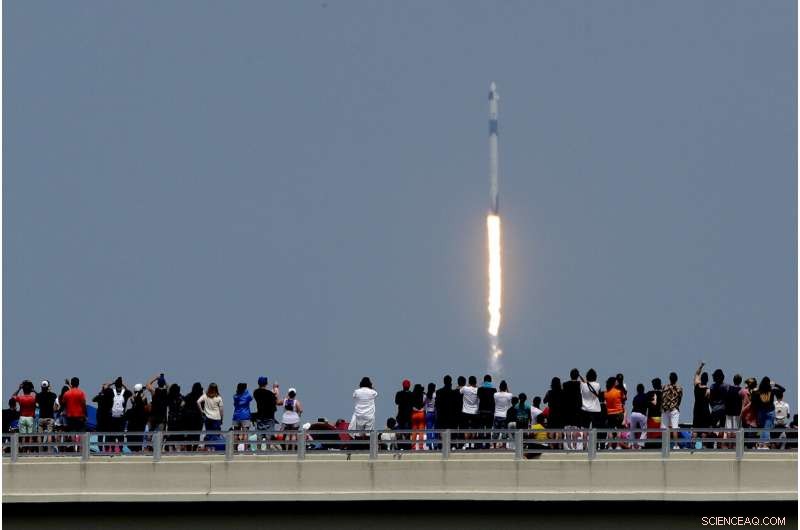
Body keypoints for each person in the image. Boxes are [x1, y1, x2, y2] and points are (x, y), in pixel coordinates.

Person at [750, 377, 784, 449]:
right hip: (770, 411)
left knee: (763, 428)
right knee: (767, 428)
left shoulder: (758, 391)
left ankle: (761, 444)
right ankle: (765, 444)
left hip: (761, 412)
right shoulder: (772, 390)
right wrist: (775, 384)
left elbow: (752, 400)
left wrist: (753, 390)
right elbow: (783, 390)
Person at [198, 383, 224, 452]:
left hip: (208, 418)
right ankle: (215, 449)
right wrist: (222, 418)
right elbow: (221, 410)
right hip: (216, 418)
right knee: (216, 434)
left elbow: (198, 402)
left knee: (209, 434)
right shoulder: (218, 398)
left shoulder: (205, 396)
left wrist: (202, 411)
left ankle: (209, 449)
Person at [12, 381, 37, 452]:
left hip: (22, 417)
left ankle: (23, 449)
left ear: (23, 390)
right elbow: (40, 398)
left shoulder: (20, 398)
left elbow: (13, 396)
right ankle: (29, 450)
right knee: (30, 436)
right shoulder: (33, 398)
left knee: (23, 435)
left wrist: (19, 389)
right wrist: (34, 391)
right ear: (30, 390)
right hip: (30, 418)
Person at [661, 372, 683, 448]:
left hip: (665, 409)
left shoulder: (664, 387)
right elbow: (680, 399)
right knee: (675, 428)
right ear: (676, 379)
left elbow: (662, 398)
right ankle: (676, 445)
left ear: (669, 379)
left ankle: (665, 445)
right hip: (674, 409)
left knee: (664, 428)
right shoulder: (679, 388)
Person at [693, 363, 711, 446]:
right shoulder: (708, 390)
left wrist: (701, 366)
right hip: (705, 410)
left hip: (697, 409)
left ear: (701, 379)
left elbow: (696, 374)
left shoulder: (696, 387)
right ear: (707, 380)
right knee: (704, 429)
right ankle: (703, 446)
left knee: (695, 429)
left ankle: (693, 446)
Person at [36, 381, 58, 453]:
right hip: (49, 417)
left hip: (41, 417)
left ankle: (40, 451)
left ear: (41, 387)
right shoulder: (53, 395)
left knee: (40, 435)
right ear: (48, 387)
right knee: (49, 435)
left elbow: (37, 405)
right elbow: (55, 406)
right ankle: (49, 451)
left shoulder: (38, 395)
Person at [182, 382, 205, 451]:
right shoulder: (201, 398)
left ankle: (189, 450)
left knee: (189, 436)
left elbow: (182, 405)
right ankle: (194, 449)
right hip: (198, 420)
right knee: (197, 436)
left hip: (188, 420)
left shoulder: (188, 396)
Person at [126, 384, 148, 452]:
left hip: (132, 421)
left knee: (132, 440)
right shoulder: (144, 397)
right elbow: (145, 406)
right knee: (139, 438)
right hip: (141, 420)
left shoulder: (132, 397)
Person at [460, 376, 480, 448]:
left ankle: (466, 443)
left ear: (469, 382)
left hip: (465, 411)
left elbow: (459, 391)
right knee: (474, 428)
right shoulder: (478, 390)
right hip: (475, 412)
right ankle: (473, 444)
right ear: (475, 382)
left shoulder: (465, 388)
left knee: (466, 428)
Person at [604, 377, 625, 444]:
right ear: (613, 383)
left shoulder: (606, 393)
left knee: (610, 430)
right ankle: (618, 445)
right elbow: (624, 398)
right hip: (619, 413)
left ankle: (610, 446)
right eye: (616, 382)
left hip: (610, 414)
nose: (617, 382)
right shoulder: (619, 392)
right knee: (618, 429)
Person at [232, 382, 253, 450]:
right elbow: (251, 397)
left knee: (236, 434)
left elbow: (234, 404)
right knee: (245, 433)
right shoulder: (247, 396)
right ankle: (245, 449)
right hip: (245, 416)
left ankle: (234, 449)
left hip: (236, 416)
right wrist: (246, 391)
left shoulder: (235, 396)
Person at [394, 379, 413, 450]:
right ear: (409, 386)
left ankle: (400, 446)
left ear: (403, 386)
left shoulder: (399, 393)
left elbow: (396, 402)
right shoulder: (411, 394)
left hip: (400, 416)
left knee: (400, 432)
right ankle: (407, 447)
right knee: (407, 433)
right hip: (408, 416)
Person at [165, 383, 184, 452]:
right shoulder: (181, 397)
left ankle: (170, 450)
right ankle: (178, 450)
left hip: (171, 419)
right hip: (179, 419)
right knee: (178, 436)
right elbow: (183, 404)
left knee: (171, 436)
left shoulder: (169, 397)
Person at [645, 378, 663, 448]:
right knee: (659, 434)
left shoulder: (649, 393)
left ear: (653, 385)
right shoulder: (663, 394)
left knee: (651, 434)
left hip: (651, 417)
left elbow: (645, 403)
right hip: (660, 417)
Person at [629, 384, 648, 449]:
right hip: (641, 414)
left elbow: (633, 404)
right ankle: (640, 444)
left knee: (632, 430)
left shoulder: (635, 397)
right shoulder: (645, 396)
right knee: (644, 430)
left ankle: (632, 445)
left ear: (637, 390)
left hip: (633, 414)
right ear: (643, 389)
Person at [410, 384, 426, 450]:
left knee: (414, 431)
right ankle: (421, 446)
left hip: (414, 413)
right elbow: (425, 403)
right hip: (421, 413)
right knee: (421, 431)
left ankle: (413, 446)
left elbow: (410, 404)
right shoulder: (423, 395)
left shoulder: (412, 395)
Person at [423, 383, 437, 449]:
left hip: (428, 413)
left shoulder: (426, 395)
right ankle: (435, 444)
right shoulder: (435, 395)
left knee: (428, 429)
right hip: (434, 413)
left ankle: (429, 444)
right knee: (434, 429)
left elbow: (423, 403)